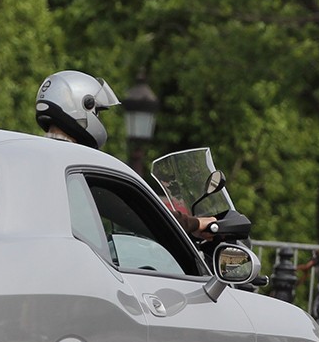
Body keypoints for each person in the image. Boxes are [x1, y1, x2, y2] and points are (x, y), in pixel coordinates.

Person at [33, 69, 215, 237]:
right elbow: (144, 216)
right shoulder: (76, 165)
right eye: (98, 113)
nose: (99, 120)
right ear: (85, 106)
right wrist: (195, 224)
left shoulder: (32, 157)